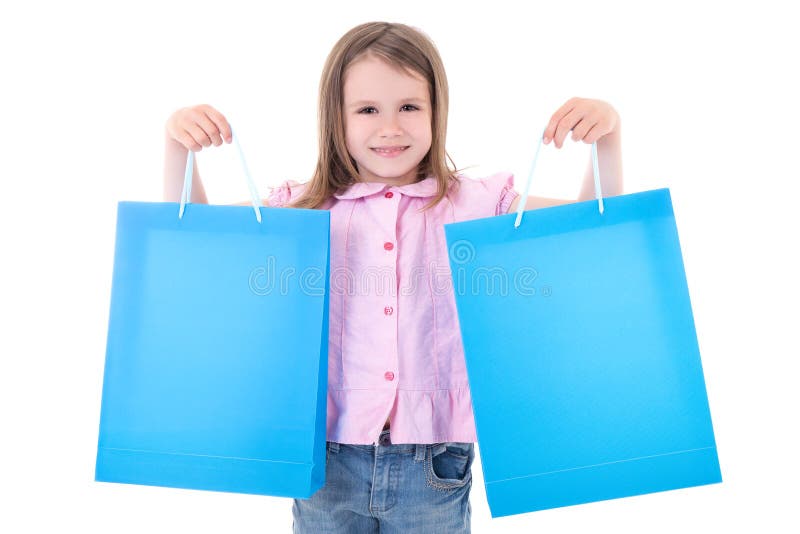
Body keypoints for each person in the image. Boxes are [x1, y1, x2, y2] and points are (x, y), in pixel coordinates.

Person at [162, 21, 623, 534]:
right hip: (325, 457)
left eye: (408, 106)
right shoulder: (302, 207)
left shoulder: (475, 203)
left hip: (433, 462)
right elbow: (191, 249)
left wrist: (608, 136)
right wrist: (177, 147)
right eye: (366, 110)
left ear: (435, 111)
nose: (390, 127)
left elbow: (593, 232)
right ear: (335, 118)